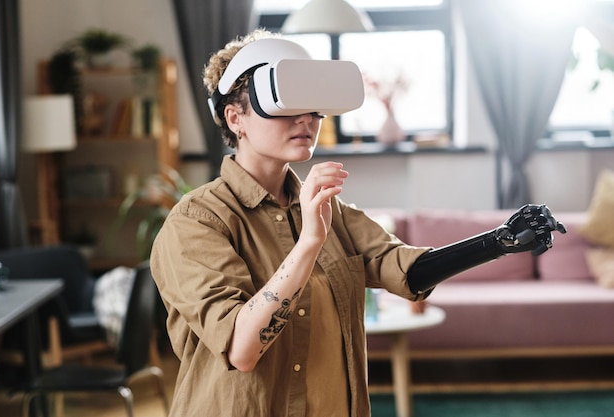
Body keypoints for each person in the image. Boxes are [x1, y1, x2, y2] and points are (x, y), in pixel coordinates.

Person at [150, 29, 566, 417]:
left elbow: (405, 269)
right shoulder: (196, 223)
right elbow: (242, 349)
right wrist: (309, 243)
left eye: (313, 108)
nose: (306, 120)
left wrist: (499, 241)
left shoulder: (330, 212)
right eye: (286, 107)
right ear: (235, 117)